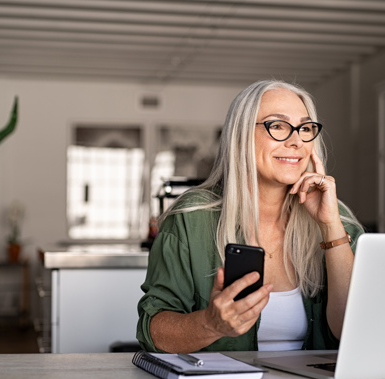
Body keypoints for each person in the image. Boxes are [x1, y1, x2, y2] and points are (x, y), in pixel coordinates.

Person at [137, 80, 364, 353]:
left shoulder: (338, 220)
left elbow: (355, 330)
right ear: (241, 135)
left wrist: (330, 227)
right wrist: (210, 324)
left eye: (305, 128)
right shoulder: (192, 218)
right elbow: (153, 331)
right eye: (277, 126)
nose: (296, 141)